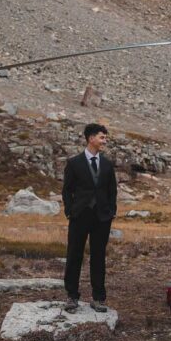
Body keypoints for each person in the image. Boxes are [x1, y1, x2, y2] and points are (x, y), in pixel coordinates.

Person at [62, 123, 118, 313]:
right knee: (74, 254)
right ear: (91, 138)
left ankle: (98, 298)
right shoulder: (74, 163)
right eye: (102, 137)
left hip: (102, 217)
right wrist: (70, 211)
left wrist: (111, 212)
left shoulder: (108, 164)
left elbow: (112, 191)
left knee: (98, 256)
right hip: (79, 215)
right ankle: (71, 296)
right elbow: (67, 190)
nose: (105, 141)